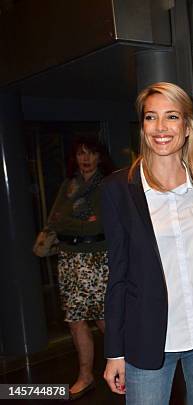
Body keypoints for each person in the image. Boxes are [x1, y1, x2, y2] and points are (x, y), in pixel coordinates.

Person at [101, 82, 193, 405]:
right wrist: (114, 351)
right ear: (142, 126)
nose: (160, 128)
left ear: (187, 127)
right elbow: (117, 274)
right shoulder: (118, 188)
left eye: (171, 117)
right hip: (148, 340)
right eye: (151, 117)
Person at [46, 137, 112, 400]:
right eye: (81, 153)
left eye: (91, 153)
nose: (85, 159)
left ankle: (126, 367)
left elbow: (97, 227)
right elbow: (54, 221)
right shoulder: (68, 185)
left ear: (99, 157)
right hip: (69, 260)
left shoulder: (106, 185)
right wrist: (74, 222)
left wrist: (69, 221)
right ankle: (85, 376)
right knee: (75, 321)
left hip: (97, 259)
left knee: (104, 319)